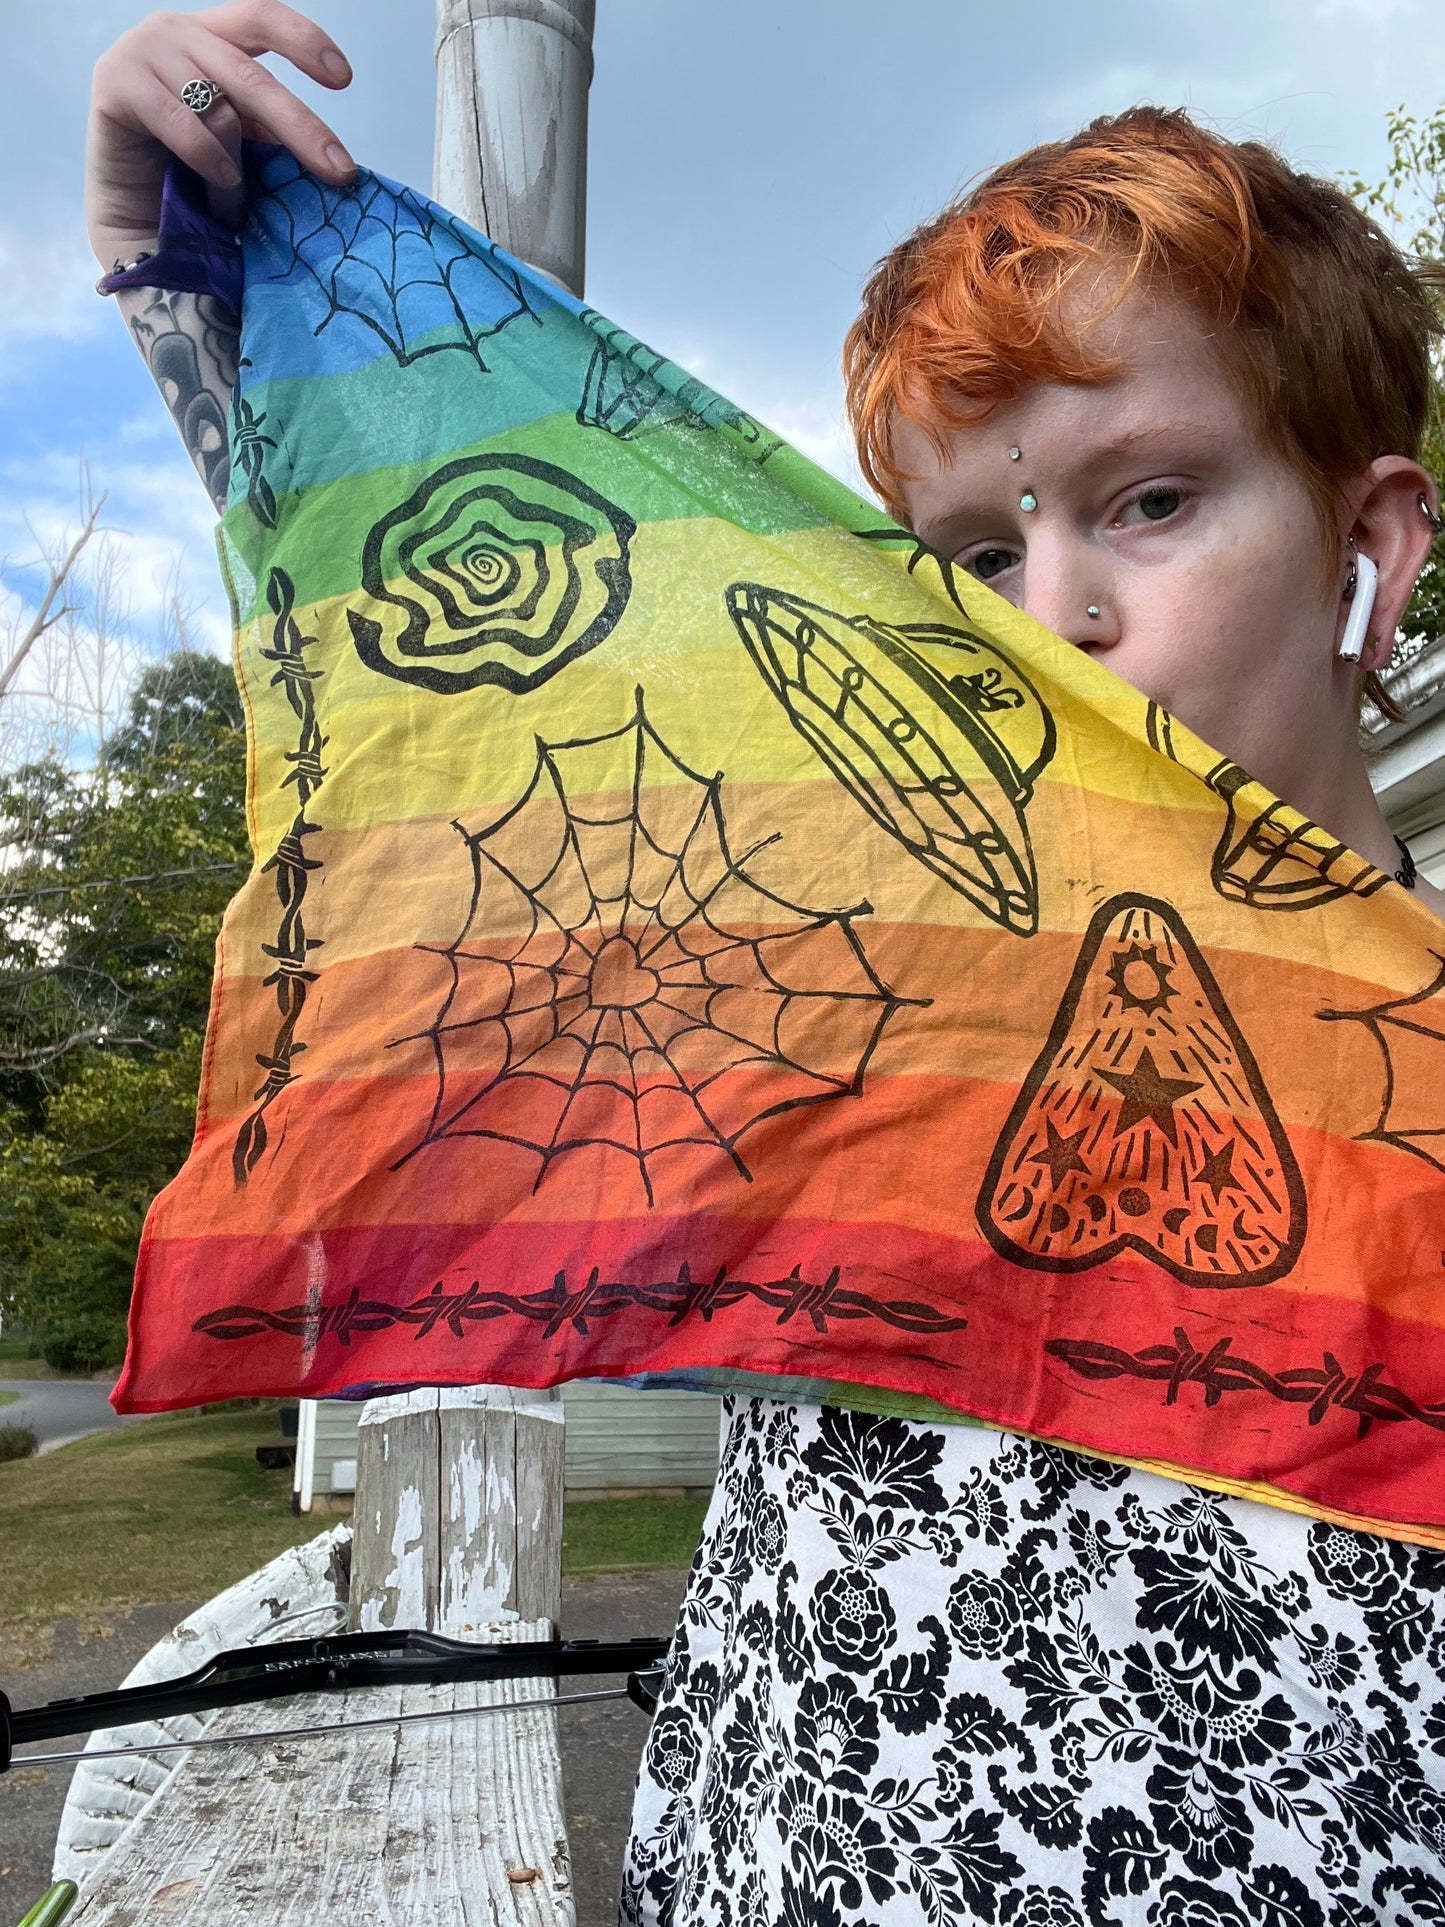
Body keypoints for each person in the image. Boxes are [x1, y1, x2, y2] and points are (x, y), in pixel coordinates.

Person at [86, 6, 1445, 1921]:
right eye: (971, 554)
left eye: (1150, 499)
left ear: (1365, 548)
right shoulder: (869, 990)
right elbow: (472, 751)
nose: (1053, 614)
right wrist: (226, 295)